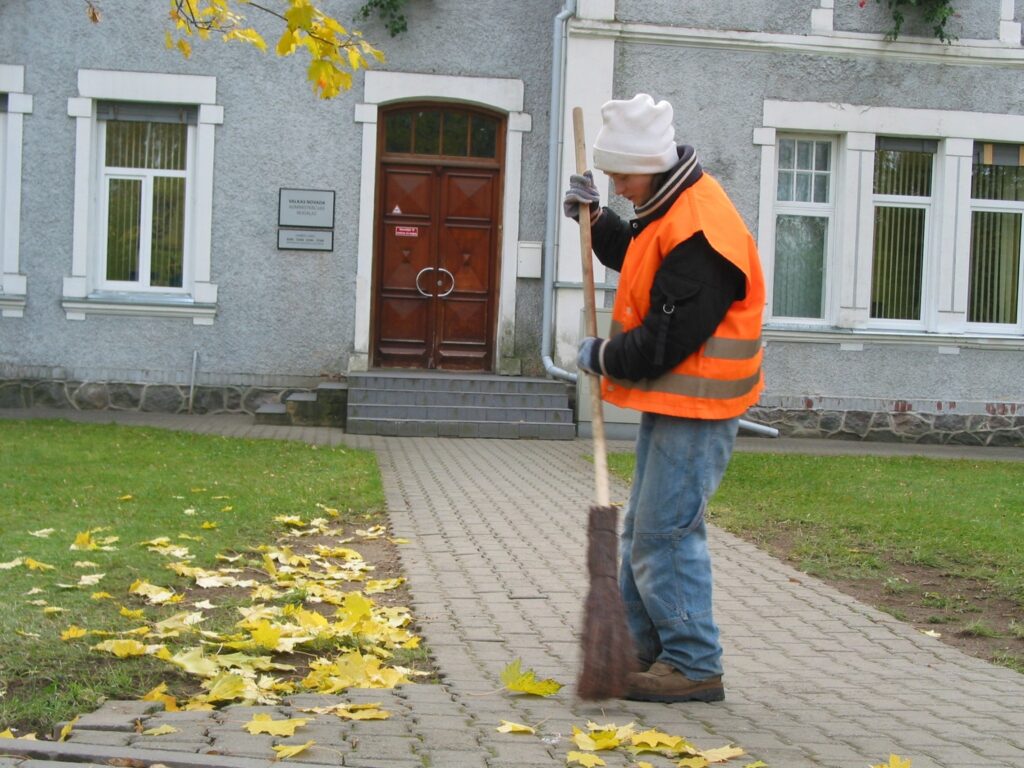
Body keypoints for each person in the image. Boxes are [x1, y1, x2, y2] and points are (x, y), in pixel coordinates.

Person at [563, 93, 765, 703]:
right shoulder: (669, 205)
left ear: (650, 163)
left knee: (665, 535)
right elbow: (639, 257)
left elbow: (665, 339)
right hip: (679, 404)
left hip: (700, 407)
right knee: (645, 532)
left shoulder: (702, 231)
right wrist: (597, 223)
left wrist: (602, 357)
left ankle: (694, 663)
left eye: (621, 175)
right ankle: (640, 648)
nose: (618, 186)